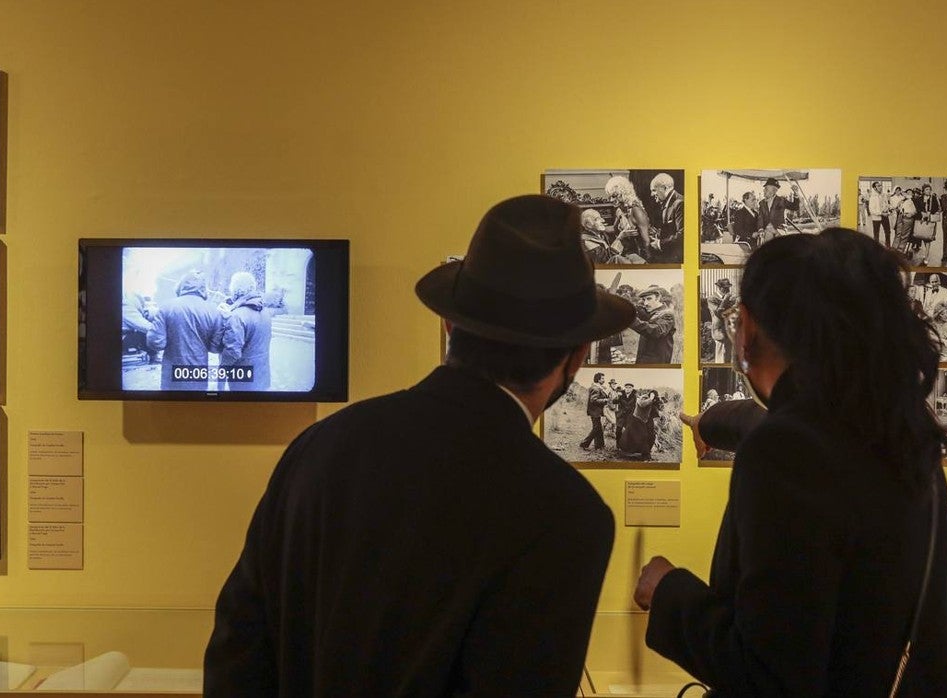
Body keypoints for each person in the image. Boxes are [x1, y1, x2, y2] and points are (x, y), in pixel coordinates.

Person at [203, 194, 635, 697]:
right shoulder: (567, 512)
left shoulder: (320, 448)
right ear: (578, 356)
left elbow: (238, 652)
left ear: (450, 326)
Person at [634, 228, 947, 695]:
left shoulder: (786, 451)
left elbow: (769, 675)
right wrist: (711, 420)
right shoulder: (901, 434)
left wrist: (668, 593)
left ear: (748, 329)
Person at [146, 271, 225, 391]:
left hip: (172, 375)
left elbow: (156, 343)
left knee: (170, 408)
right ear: (203, 289)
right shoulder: (213, 311)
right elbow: (214, 348)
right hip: (198, 375)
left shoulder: (166, 307)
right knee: (196, 408)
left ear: (181, 286)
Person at [220, 271, 273, 390]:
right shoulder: (265, 311)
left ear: (235, 289)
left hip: (243, 381)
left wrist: (221, 370)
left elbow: (232, 352)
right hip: (262, 375)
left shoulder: (237, 316)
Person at [604, 175, 652, 260]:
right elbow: (614, 230)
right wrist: (596, 228)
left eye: (614, 196)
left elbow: (646, 241)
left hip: (638, 255)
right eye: (610, 196)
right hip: (623, 252)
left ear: (624, 194)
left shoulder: (636, 210)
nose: (611, 200)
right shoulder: (619, 210)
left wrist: (648, 264)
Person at [631, 285, 676, 364]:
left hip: (656, 363)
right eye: (644, 300)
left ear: (658, 298)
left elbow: (656, 331)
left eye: (649, 299)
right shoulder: (652, 312)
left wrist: (629, 319)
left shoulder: (667, 314)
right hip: (646, 361)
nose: (645, 303)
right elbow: (643, 314)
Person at [649, 173, 684, 263]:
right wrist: (658, 234)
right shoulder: (668, 203)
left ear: (664, 188)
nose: (651, 194)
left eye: (653, 190)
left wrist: (660, 243)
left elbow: (683, 235)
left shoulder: (680, 203)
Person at [755, 177, 801, 245]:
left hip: (780, 229)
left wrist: (796, 194)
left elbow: (795, 207)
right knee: (767, 235)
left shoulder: (781, 200)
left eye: (766, 189)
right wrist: (760, 229)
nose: (764, 191)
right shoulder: (761, 203)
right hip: (767, 231)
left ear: (773, 191)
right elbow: (760, 218)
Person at [617, 389, 660, 460]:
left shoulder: (652, 400)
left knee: (646, 436)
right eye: (653, 397)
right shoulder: (644, 398)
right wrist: (651, 398)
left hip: (642, 420)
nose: (654, 399)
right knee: (642, 436)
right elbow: (642, 404)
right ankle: (645, 456)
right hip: (636, 420)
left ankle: (644, 454)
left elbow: (656, 409)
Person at [707, 277, 737, 364]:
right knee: (721, 359)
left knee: (728, 358)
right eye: (725, 288)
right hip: (720, 332)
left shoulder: (730, 299)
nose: (728, 290)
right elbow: (719, 313)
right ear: (719, 288)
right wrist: (726, 300)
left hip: (730, 331)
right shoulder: (712, 299)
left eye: (728, 288)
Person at [579, 371, 611, 450]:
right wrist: (605, 400)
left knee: (598, 428)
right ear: (598, 379)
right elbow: (594, 400)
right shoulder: (595, 388)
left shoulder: (598, 387)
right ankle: (584, 444)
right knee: (596, 428)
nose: (604, 380)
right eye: (602, 378)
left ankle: (599, 445)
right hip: (594, 412)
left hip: (595, 411)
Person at [867, 180, 892, 246]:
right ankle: (876, 248)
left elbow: (887, 204)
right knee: (876, 233)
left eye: (880, 185)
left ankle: (888, 246)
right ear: (874, 188)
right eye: (878, 186)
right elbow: (871, 210)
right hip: (876, 218)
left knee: (888, 232)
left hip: (885, 216)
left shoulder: (884, 195)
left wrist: (888, 210)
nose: (880, 187)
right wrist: (881, 213)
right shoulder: (872, 197)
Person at [613, 381, 637, 449]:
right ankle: (618, 445)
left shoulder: (634, 396)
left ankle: (627, 446)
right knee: (618, 431)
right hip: (621, 415)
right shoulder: (621, 394)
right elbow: (614, 401)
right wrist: (617, 396)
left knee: (628, 432)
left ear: (632, 389)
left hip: (629, 416)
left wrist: (633, 415)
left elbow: (635, 407)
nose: (628, 389)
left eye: (629, 388)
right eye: (626, 387)